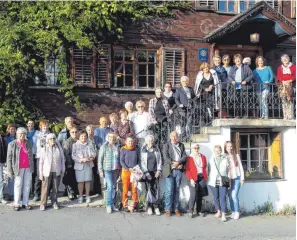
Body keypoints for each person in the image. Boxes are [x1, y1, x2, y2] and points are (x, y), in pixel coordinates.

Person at [6, 127, 34, 211]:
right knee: (18, 185)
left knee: (27, 185)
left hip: (28, 167)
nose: (22, 135)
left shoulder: (28, 142)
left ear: (25, 135)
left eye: (23, 133)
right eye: (20, 133)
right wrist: (9, 171)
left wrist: (32, 166)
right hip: (18, 168)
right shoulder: (12, 144)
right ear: (17, 134)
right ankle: (17, 203)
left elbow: (31, 155)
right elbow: (9, 158)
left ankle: (26, 202)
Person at [162, 131, 187, 217]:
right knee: (169, 191)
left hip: (178, 170)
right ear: (170, 137)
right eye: (172, 136)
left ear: (178, 137)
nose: (174, 138)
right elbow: (165, 157)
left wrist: (180, 163)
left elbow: (184, 156)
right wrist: (175, 163)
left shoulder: (181, 145)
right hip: (170, 170)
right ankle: (168, 209)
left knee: (177, 190)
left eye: (176, 136)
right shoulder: (166, 145)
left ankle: (176, 209)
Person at [39, 133, 65, 211]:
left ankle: (54, 202)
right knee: (45, 188)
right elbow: (41, 162)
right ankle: (43, 204)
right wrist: (41, 173)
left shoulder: (59, 148)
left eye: (54, 138)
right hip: (46, 171)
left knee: (55, 188)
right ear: (47, 140)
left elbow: (62, 160)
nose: (52, 140)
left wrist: (63, 170)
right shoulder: (44, 149)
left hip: (56, 171)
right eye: (50, 139)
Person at [72, 130, 96, 204]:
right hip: (79, 165)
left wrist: (91, 158)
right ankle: (81, 196)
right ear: (79, 137)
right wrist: (81, 160)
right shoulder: (75, 145)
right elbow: (73, 156)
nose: (83, 137)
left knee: (88, 181)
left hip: (88, 165)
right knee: (80, 182)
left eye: (85, 136)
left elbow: (94, 153)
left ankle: (88, 196)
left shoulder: (90, 144)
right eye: (82, 136)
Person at [98, 132, 120, 213]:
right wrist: (100, 170)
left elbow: (118, 158)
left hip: (115, 170)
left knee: (114, 187)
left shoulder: (116, 146)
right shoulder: (104, 146)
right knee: (110, 187)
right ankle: (108, 204)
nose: (112, 139)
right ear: (108, 138)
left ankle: (113, 204)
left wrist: (119, 169)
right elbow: (100, 159)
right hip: (107, 169)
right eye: (110, 138)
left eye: (113, 138)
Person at [140, 135, 162, 216]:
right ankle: (149, 206)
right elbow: (142, 162)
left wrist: (159, 170)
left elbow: (160, 160)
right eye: (148, 141)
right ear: (146, 141)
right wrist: (146, 173)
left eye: (151, 140)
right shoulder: (143, 150)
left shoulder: (156, 149)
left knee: (155, 189)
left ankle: (156, 207)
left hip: (155, 172)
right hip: (147, 172)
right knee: (148, 189)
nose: (150, 142)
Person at [208, 145, 230, 222]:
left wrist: (229, 179)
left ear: (221, 151)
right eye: (216, 150)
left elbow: (228, 170)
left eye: (219, 150)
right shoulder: (211, 159)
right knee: (216, 197)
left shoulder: (225, 158)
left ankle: (223, 214)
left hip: (223, 180)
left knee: (223, 197)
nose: (218, 152)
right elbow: (208, 169)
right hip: (213, 181)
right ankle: (218, 211)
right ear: (214, 151)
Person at [185, 143, 208, 218]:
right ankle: (190, 211)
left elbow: (205, 167)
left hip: (201, 177)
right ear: (192, 149)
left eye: (198, 148)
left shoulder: (203, 157)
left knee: (200, 195)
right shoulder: (189, 158)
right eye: (195, 148)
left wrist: (205, 177)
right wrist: (191, 179)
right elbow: (187, 170)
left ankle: (199, 211)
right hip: (192, 178)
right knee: (193, 194)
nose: (196, 149)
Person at [224, 141, 244, 220]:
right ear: (225, 148)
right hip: (228, 179)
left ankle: (237, 211)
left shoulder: (236, 156)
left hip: (237, 178)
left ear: (232, 147)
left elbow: (241, 168)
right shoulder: (224, 156)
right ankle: (232, 211)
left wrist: (242, 179)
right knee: (229, 196)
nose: (229, 148)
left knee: (234, 196)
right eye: (228, 146)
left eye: (231, 146)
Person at [228, 54, 253, 118]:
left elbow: (251, 75)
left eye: (238, 59)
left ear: (241, 59)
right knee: (236, 101)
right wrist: (232, 81)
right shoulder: (233, 68)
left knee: (245, 100)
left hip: (244, 86)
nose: (237, 60)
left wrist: (246, 80)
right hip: (236, 86)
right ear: (234, 60)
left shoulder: (245, 67)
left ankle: (246, 114)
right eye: (236, 59)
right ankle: (237, 115)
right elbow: (229, 76)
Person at [120, 137, 140, 212]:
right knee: (125, 190)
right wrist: (128, 168)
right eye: (129, 141)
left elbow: (138, 160)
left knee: (134, 190)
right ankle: (125, 205)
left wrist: (135, 168)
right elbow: (121, 161)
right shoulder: (123, 149)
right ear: (126, 142)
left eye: (132, 141)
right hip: (126, 172)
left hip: (134, 172)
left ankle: (133, 205)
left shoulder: (136, 149)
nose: (130, 143)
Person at [34, 120, 50, 201]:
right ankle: (37, 194)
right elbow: (39, 146)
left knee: (48, 175)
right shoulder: (37, 135)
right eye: (44, 126)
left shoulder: (51, 135)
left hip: (48, 157)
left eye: (47, 126)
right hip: (40, 157)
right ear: (40, 127)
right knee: (38, 175)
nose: (46, 127)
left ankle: (47, 193)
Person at [175, 76, 195, 140]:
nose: (185, 82)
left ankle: (189, 137)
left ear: (188, 81)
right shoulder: (178, 90)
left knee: (189, 122)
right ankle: (183, 138)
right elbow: (176, 99)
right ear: (181, 82)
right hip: (182, 110)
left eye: (186, 81)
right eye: (183, 81)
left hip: (190, 109)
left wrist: (193, 104)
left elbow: (194, 98)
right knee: (183, 123)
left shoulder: (191, 89)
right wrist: (179, 104)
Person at [277, 54, 296, 120]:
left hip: (291, 85)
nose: (285, 60)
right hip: (283, 85)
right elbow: (279, 76)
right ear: (281, 60)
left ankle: (290, 116)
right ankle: (285, 116)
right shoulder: (280, 68)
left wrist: (290, 80)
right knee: (283, 100)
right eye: (283, 59)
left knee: (289, 100)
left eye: (286, 59)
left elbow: (295, 75)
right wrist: (283, 82)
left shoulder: (293, 66)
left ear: (289, 59)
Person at [63, 126, 79, 200]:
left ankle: (75, 193)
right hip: (70, 163)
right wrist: (69, 164)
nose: (74, 133)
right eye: (73, 132)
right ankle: (71, 193)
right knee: (70, 178)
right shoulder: (68, 142)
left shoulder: (79, 140)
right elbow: (67, 154)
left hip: (79, 163)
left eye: (76, 132)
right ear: (70, 133)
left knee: (76, 178)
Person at [86, 125, 101, 196]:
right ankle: (89, 191)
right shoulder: (85, 139)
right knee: (89, 175)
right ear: (86, 131)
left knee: (96, 174)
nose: (90, 132)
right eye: (89, 130)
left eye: (92, 130)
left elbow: (99, 147)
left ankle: (97, 189)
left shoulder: (96, 138)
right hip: (89, 160)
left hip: (96, 159)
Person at [27, 120, 39, 200]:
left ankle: (35, 192)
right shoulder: (24, 133)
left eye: (32, 123)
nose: (30, 125)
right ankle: (28, 192)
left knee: (35, 174)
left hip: (35, 155)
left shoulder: (37, 133)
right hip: (26, 156)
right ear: (27, 125)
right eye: (29, 124)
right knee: (28, 175)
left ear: (34, 125)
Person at [4, 123, 16, 201]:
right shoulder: (5, 139)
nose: (12, 130)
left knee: (15, 177)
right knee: (9, 177)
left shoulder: (17, 138)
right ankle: (11, 194)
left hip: (16, 160)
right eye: (11, 129)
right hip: (8, 160)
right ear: (8, 130)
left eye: (14, 129)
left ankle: (14, 193)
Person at [0, 135, 7, 204]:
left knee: (1, 180)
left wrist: (4, 160)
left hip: (1, 161)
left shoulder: (1, 137)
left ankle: (1, 197)